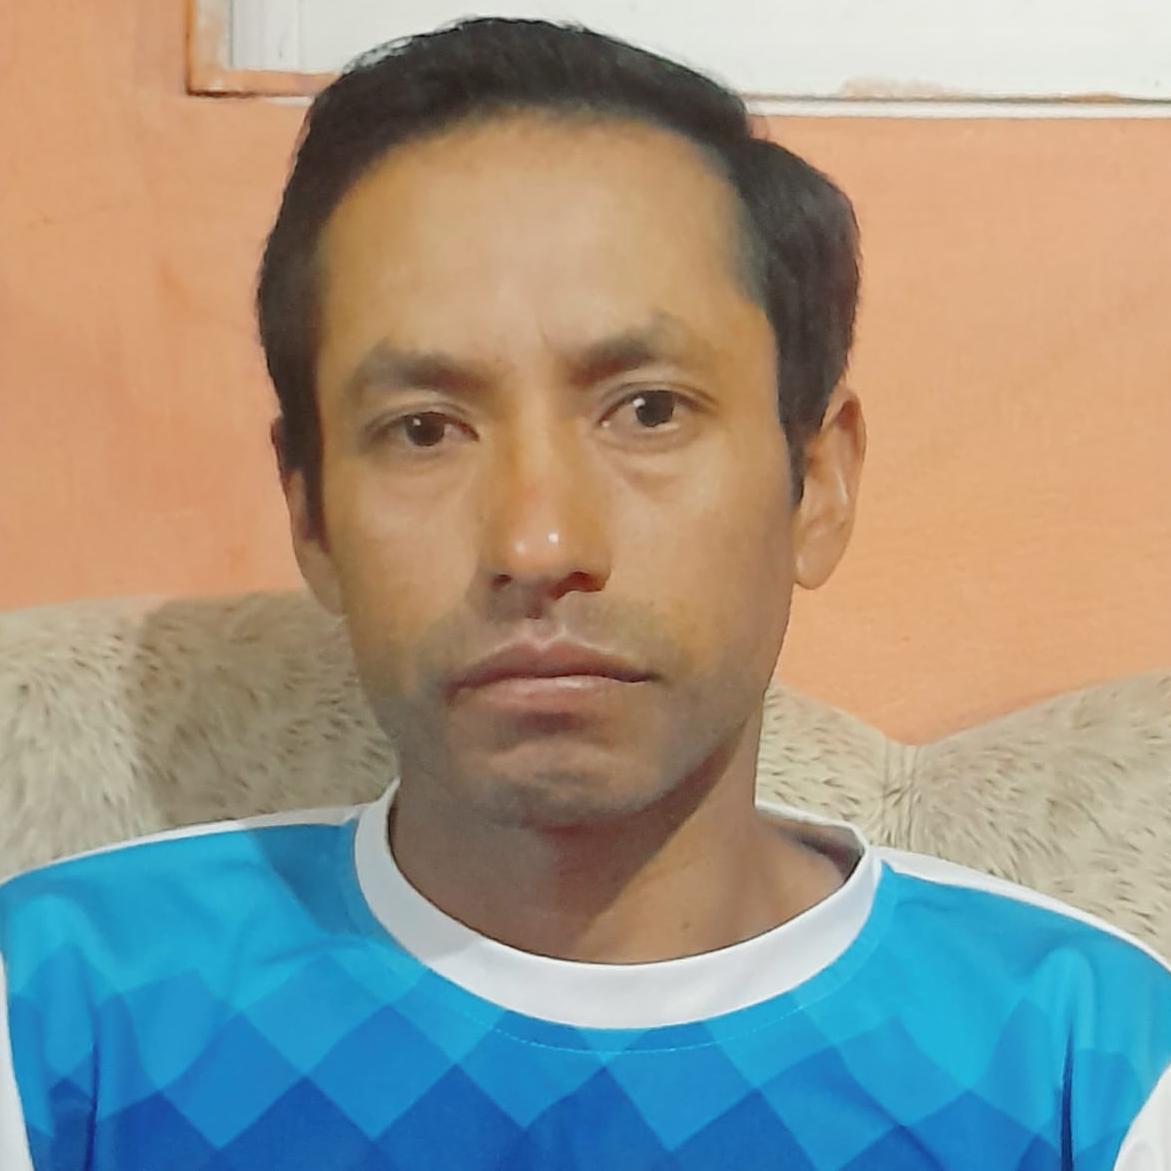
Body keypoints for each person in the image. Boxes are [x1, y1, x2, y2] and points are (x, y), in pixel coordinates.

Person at [1, 15, 1168, 1169]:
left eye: (647, 410)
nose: (538, 539)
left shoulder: (1088, 1064)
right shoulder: (58, 1011)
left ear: (814, 483)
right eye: (423, 428)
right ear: (310, 516)